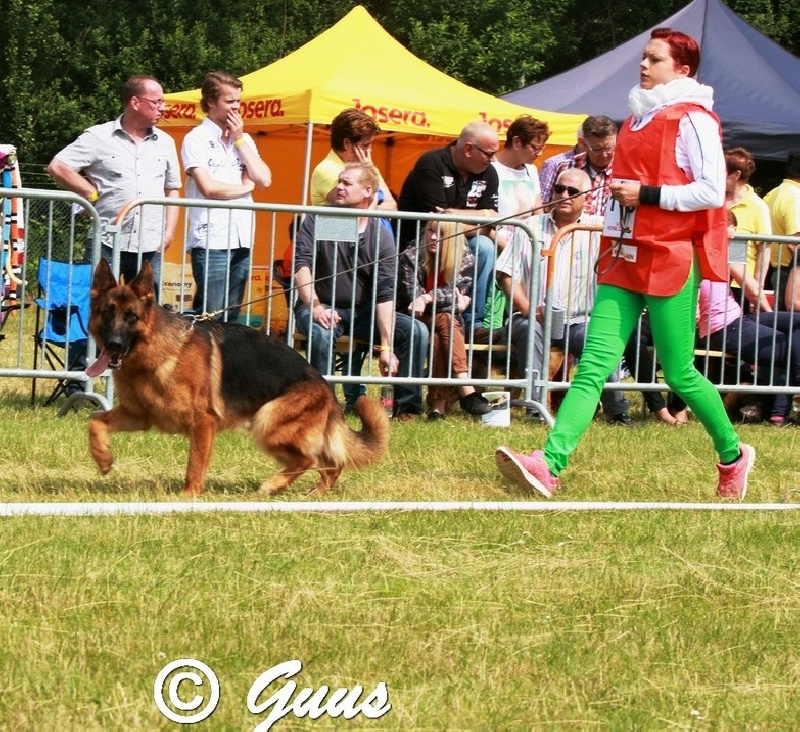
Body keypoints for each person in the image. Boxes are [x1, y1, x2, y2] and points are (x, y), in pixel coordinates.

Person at [495, 28, 755, 500]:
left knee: (679, 374)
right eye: (643, 57)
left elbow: (712, 191)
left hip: (671, 258)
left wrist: (645, 194)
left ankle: (733, 454)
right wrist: (611, 220)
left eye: (654, 59)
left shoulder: (695, 119)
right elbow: (627, 191)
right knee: (592, 364)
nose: (642, 65)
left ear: (682, 69)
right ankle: (548, 464)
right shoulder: (634, 122)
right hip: (624, 256)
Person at [495, 167, 635, 426]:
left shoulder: (600, 229)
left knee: (602, 337)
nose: (564, 195)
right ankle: (537, 407)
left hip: (580, 320)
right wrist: (527, 308)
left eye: (573, 191)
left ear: (587, 199)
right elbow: (506, 274)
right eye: (559, 189)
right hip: (532, 317)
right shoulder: (531, 227)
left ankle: (617, 411)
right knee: (529, 330)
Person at [293, 162, 428, 420]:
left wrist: (386, 346)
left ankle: (407, 407)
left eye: (346, 183)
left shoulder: (381, 234)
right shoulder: (321, 218)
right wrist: (316, 306)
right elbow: (302, 265)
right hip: (320, 304)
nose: (339, 187)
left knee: (415, 330)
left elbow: (385, 291)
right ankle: (324, 406)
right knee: (321, 332)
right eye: (339, 181)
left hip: (362, 312)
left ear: (368, 192)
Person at [48, 74, 181, 289]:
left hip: (150, 243)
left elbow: (173, 188)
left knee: (146, 312)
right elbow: (58, 166)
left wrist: (169, 233)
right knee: (98, 305)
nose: (163, 108)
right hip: (106, 239)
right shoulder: (98, 137)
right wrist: (90, 192)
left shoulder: (166, 142)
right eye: (157, 102)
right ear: (135, 102)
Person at [181, 70, 272, 322]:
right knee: (209, 317)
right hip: (212, 239)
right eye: (230, 101)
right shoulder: (195, 138)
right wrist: (245, 188)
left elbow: (264, 179)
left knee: (231, 318)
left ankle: (225, 362)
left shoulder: (244, 139)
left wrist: (240, 140)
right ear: (211, 101)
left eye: (238, 102)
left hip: (242, 237)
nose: (236, 108)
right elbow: (209, 188)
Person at [398, 120, 499, 333]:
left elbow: (492, 221)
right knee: (479, 241)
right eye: (489, 154)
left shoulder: (489, 173)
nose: (493, 159)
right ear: (469, 149)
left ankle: (474, 323)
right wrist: (479, 219)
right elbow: (436, 223)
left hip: (459, 246)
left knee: (485, 246)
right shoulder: (431, 163)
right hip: (420, 244)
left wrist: (452, 215)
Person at [397, 220, 490, 420]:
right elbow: (413, 298)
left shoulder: (465, 257)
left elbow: (460, 291)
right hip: (415, 321)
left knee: (442, 331)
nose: (433, 237)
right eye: (430, 230)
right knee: (446, 318)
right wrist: (451, 300)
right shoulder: (411, 256)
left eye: (441, 233)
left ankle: (437, 407)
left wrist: (428, 297)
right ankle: (466, 389)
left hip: (445, 323)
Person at [310, 107, 397, 212]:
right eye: (365, 145)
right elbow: (355, 207)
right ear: (347, 143)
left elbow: (392, 207)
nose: (370, 150)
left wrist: (374, 207)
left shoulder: (367, 166)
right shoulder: (327, 169)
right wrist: (379, 207)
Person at [539, 115, 618, 215]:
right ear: (583, 143)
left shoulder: (626, 170)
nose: (604, 155)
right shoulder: (565, 167)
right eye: (597, 150)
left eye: (609, 148)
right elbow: (546, 206)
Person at [725, 147, 771, 313]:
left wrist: (757, 288)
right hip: (711, 281)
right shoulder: (713, 199)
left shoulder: (757, 206)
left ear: (736, 175)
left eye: (722, 171)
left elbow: (764, 249)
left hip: (741, 285)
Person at [764, 150, 800, 311]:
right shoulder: (795, 196)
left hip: (780, 271)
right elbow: (795, 242)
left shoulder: (774, 192)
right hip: (791, 272)